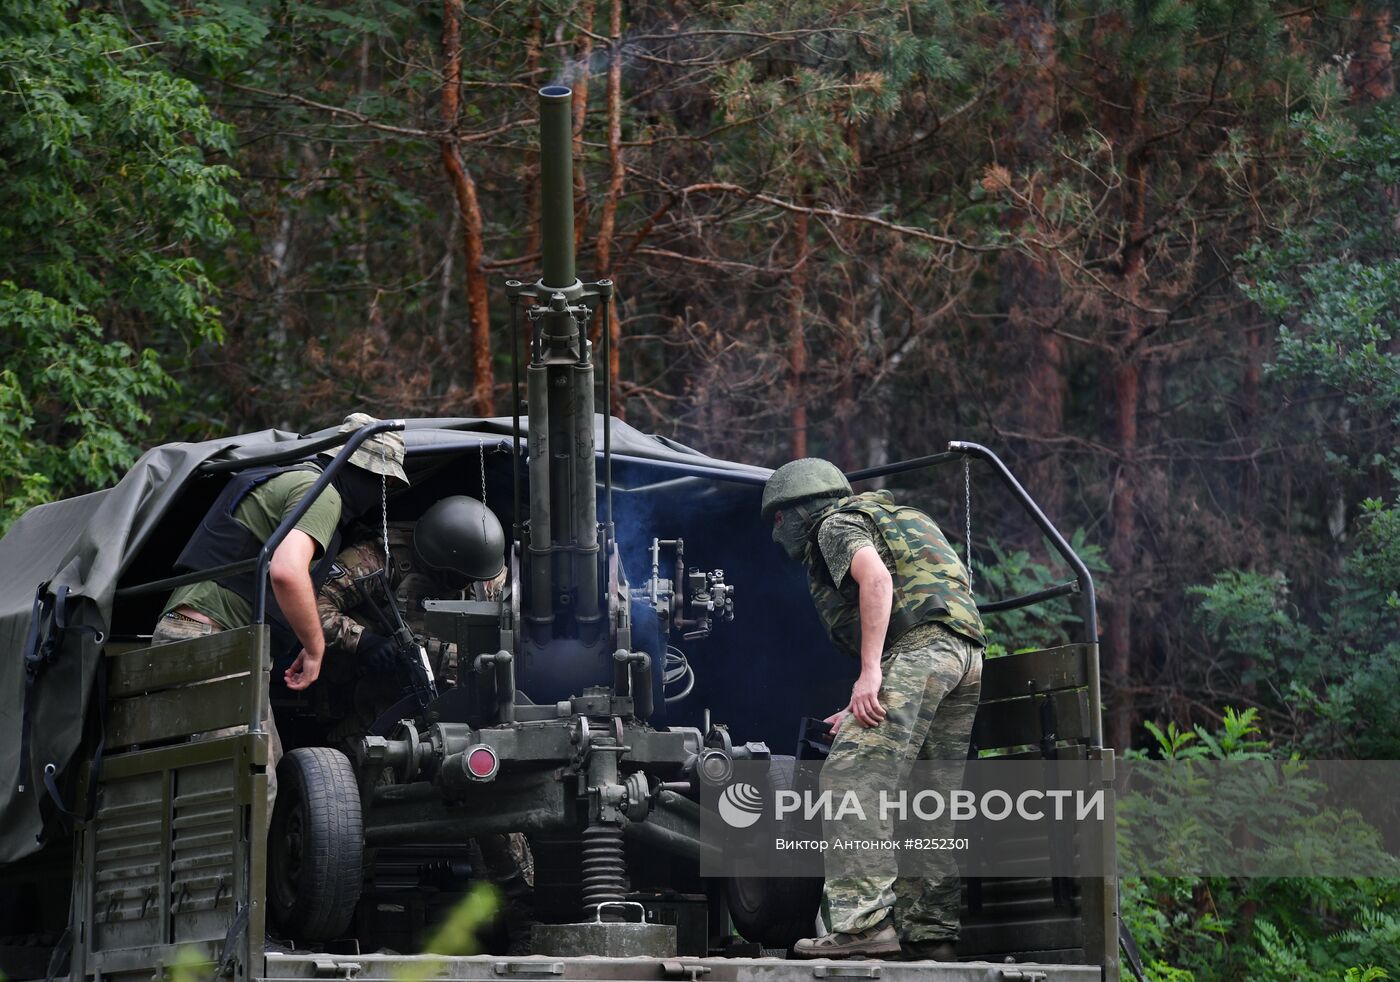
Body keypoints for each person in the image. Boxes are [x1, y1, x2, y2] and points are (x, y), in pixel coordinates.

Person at [760, 458, 984, 962]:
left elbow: (878, 582)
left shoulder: (833, 524)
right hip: (965, 655)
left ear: (798, 509)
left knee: (850, 778)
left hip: (921, 651)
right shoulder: (895, 515)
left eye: (777, 519)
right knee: (931, 799)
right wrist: (864, 694)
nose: (778, 533)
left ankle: (862, 925)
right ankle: (933, 935)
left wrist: (870, 676)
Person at [150, 412, 410, 811]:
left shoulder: (294, 480)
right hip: (210, 640)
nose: (382, 495)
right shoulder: (321, 493)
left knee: (266, 770)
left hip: (213, 640)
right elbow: (287, 573)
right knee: (248, 785)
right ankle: (228, 876)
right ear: (360, 470)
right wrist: (315, 647)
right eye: (382, 483)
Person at [316, 494, 535, 953]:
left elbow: (521, 628)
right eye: (453, 578)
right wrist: (364, 642)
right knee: (350, 824)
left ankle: (520, 931)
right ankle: (345, 932)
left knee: (503, 832)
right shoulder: (380, 556)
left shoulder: (491, 571)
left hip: (462, 719)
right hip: (384, 720)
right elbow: (315, 603)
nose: (462, 585)